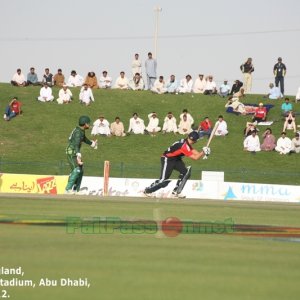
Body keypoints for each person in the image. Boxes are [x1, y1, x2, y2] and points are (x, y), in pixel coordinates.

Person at [143, 131, 211, 198]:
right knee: (163, 180)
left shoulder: (185, 141)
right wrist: (203, 152)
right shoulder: (184, 146)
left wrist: (204, 152)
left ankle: (176, 192)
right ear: (195, 141)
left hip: (176, 159)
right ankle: (147, 191)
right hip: (167, 159)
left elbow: (193, 151)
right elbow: (196, 157)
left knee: (185, 172)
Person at [65, 116, 97, 194]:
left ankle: (76, 190)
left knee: (80, 171)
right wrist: (78, 156)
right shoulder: (78, 132)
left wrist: (92, 144)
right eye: (88, 123)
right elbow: (76, 145)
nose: (89, 125)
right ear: (85, 124)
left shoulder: (81, 131)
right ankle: (68, 189)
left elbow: (84, 139)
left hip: (75, 152)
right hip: (71, 152)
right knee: (77, 170)